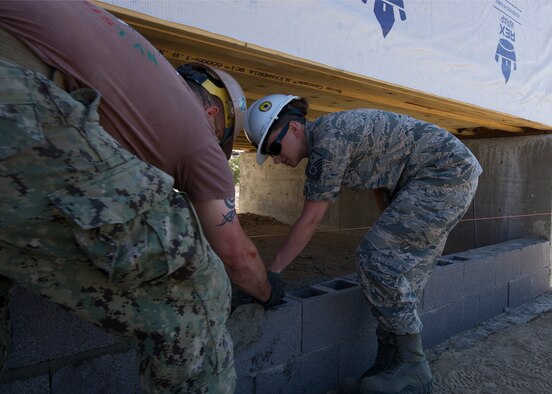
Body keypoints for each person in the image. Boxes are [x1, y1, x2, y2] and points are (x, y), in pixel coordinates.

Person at [0, 1, 281, 392]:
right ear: (218, 114)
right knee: (195, 289)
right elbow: (237, 257)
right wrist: (268, 291)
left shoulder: (140, 73)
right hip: (14, 94)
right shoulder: (197, 136)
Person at [244, 94, 482, 394]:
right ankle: (387, 368)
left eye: (273, 147)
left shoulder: (327, 143)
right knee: (400, 275)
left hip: (443, 174)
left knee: (374, 260)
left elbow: (309, 219)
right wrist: (393, 224)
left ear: (293, 128)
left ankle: (413, 368)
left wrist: (272, 273)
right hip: (442, 173)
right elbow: (381, 177)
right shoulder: (333, 132)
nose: (276, 158)